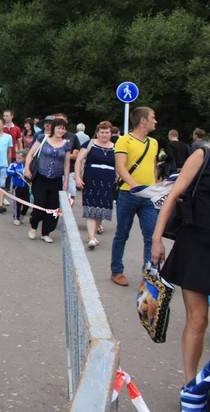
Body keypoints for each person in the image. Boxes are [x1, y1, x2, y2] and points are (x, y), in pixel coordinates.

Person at [150, 146, 210, 384]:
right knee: (198, 319)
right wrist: (157, 238)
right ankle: (190, 384)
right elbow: (174, 195)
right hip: (196, 246)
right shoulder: (202, 156)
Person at [110, 106, 159, 286]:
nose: (155, 121)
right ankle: (117, 271)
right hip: (127, 194)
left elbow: (153, 167)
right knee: (122, 234)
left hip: (149, 197)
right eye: (153, 117)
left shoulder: (153, 143)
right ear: (143, 120)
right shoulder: (124, 140)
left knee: (151, 236)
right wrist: (135, 186)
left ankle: (149, 275)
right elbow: (120, 167)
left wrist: (156, 187)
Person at [24, 118, 71, 242]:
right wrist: (27, 169)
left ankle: (46, 232)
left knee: (53, 207)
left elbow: (67, 165)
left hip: (56, 179)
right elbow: (30, 154)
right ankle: (33, 226)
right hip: (40, 177)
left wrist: (66, 182)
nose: (61, 130)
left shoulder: (67, 144)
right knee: (40, 203)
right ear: (53, 128)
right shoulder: (43, 138)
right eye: (59, 127)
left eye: (63, 128)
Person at [75, 121, 115, 249]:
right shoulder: (90, 144)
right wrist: (77, 177)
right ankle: (92, 237)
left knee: (101, 210)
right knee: (91, 209)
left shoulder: (115, 147)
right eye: (101, 132)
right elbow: (79, 160)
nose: (104, 135)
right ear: (97, 133)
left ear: (110, 133)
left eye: (107, 132)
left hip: (108, 182)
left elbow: (120, 165)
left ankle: (95, 231)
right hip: (91, 181)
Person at [7, 150, 29, 225]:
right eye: (17, 158)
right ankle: (16, 217)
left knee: (27, 203)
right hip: (16, 187)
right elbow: (8, 172)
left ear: (25, 158)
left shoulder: (27, 165)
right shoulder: (13, 165)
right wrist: (16, 172)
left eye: (20, 158)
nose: (18, 160)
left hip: (26, 188)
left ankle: (22, 215)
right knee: (17, 204)